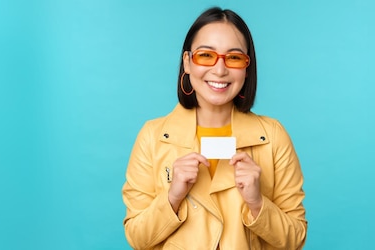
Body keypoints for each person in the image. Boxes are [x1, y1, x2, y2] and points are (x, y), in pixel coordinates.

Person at [122, 7, 307, 249]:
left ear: (247, 69)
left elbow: (296, 238)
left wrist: (257, 203)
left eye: (234, 57)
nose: (220, 70)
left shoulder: (272, 136)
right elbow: (137, 238)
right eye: (206, 55)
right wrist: (172, 197)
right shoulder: (153, 136)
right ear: (187, 62)